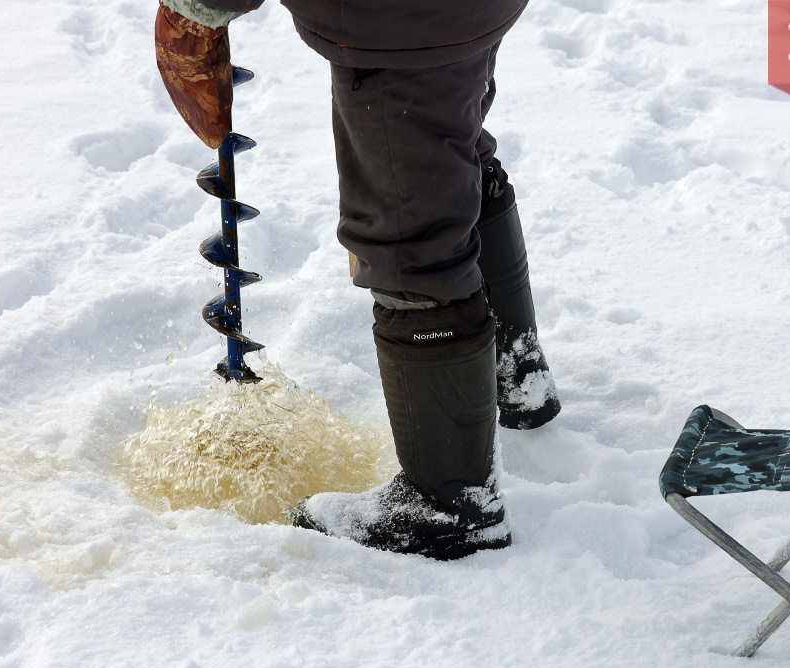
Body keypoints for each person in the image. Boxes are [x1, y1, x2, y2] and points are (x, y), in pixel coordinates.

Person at [155, 0, 561, 560]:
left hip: (392, 22)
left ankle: (449, 506)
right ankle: (513, 371)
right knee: (447, 157)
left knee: (409, 235)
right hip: (452, 15)